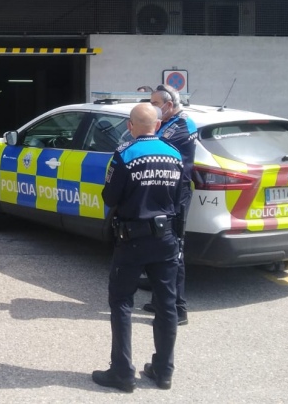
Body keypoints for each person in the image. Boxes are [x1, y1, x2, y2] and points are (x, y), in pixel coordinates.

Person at [92, 102, 182, 393]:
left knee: (121, 303)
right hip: (166, 239)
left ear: (130, 127)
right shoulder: (175, 154)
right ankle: (164, 371)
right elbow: (179, 198)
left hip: (131, 239)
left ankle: (122, 372)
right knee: (167, 306)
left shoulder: (125, 155)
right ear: (156, 125)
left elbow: (110, 196)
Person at [142, 84, 198, 326]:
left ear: (169, 104)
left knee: (174, 249)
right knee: (158, 245)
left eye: (155, 103)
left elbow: (150, 141)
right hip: (161, 190)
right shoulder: (165, 122)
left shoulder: (183, 124)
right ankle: (160, 299)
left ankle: (178, 308)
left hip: (176, 193)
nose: (152, 107)